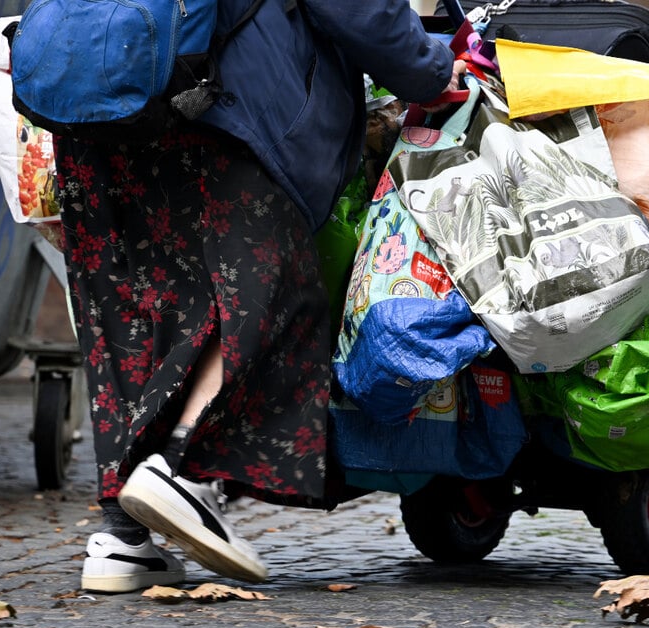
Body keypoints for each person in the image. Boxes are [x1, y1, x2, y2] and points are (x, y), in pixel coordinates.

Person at [56, 0, 466, 593]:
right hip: (216, 99)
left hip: (98, 97)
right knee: (272, 297)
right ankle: (183, 471)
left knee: (139, 308)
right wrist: (429, 69)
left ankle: (122, 537)